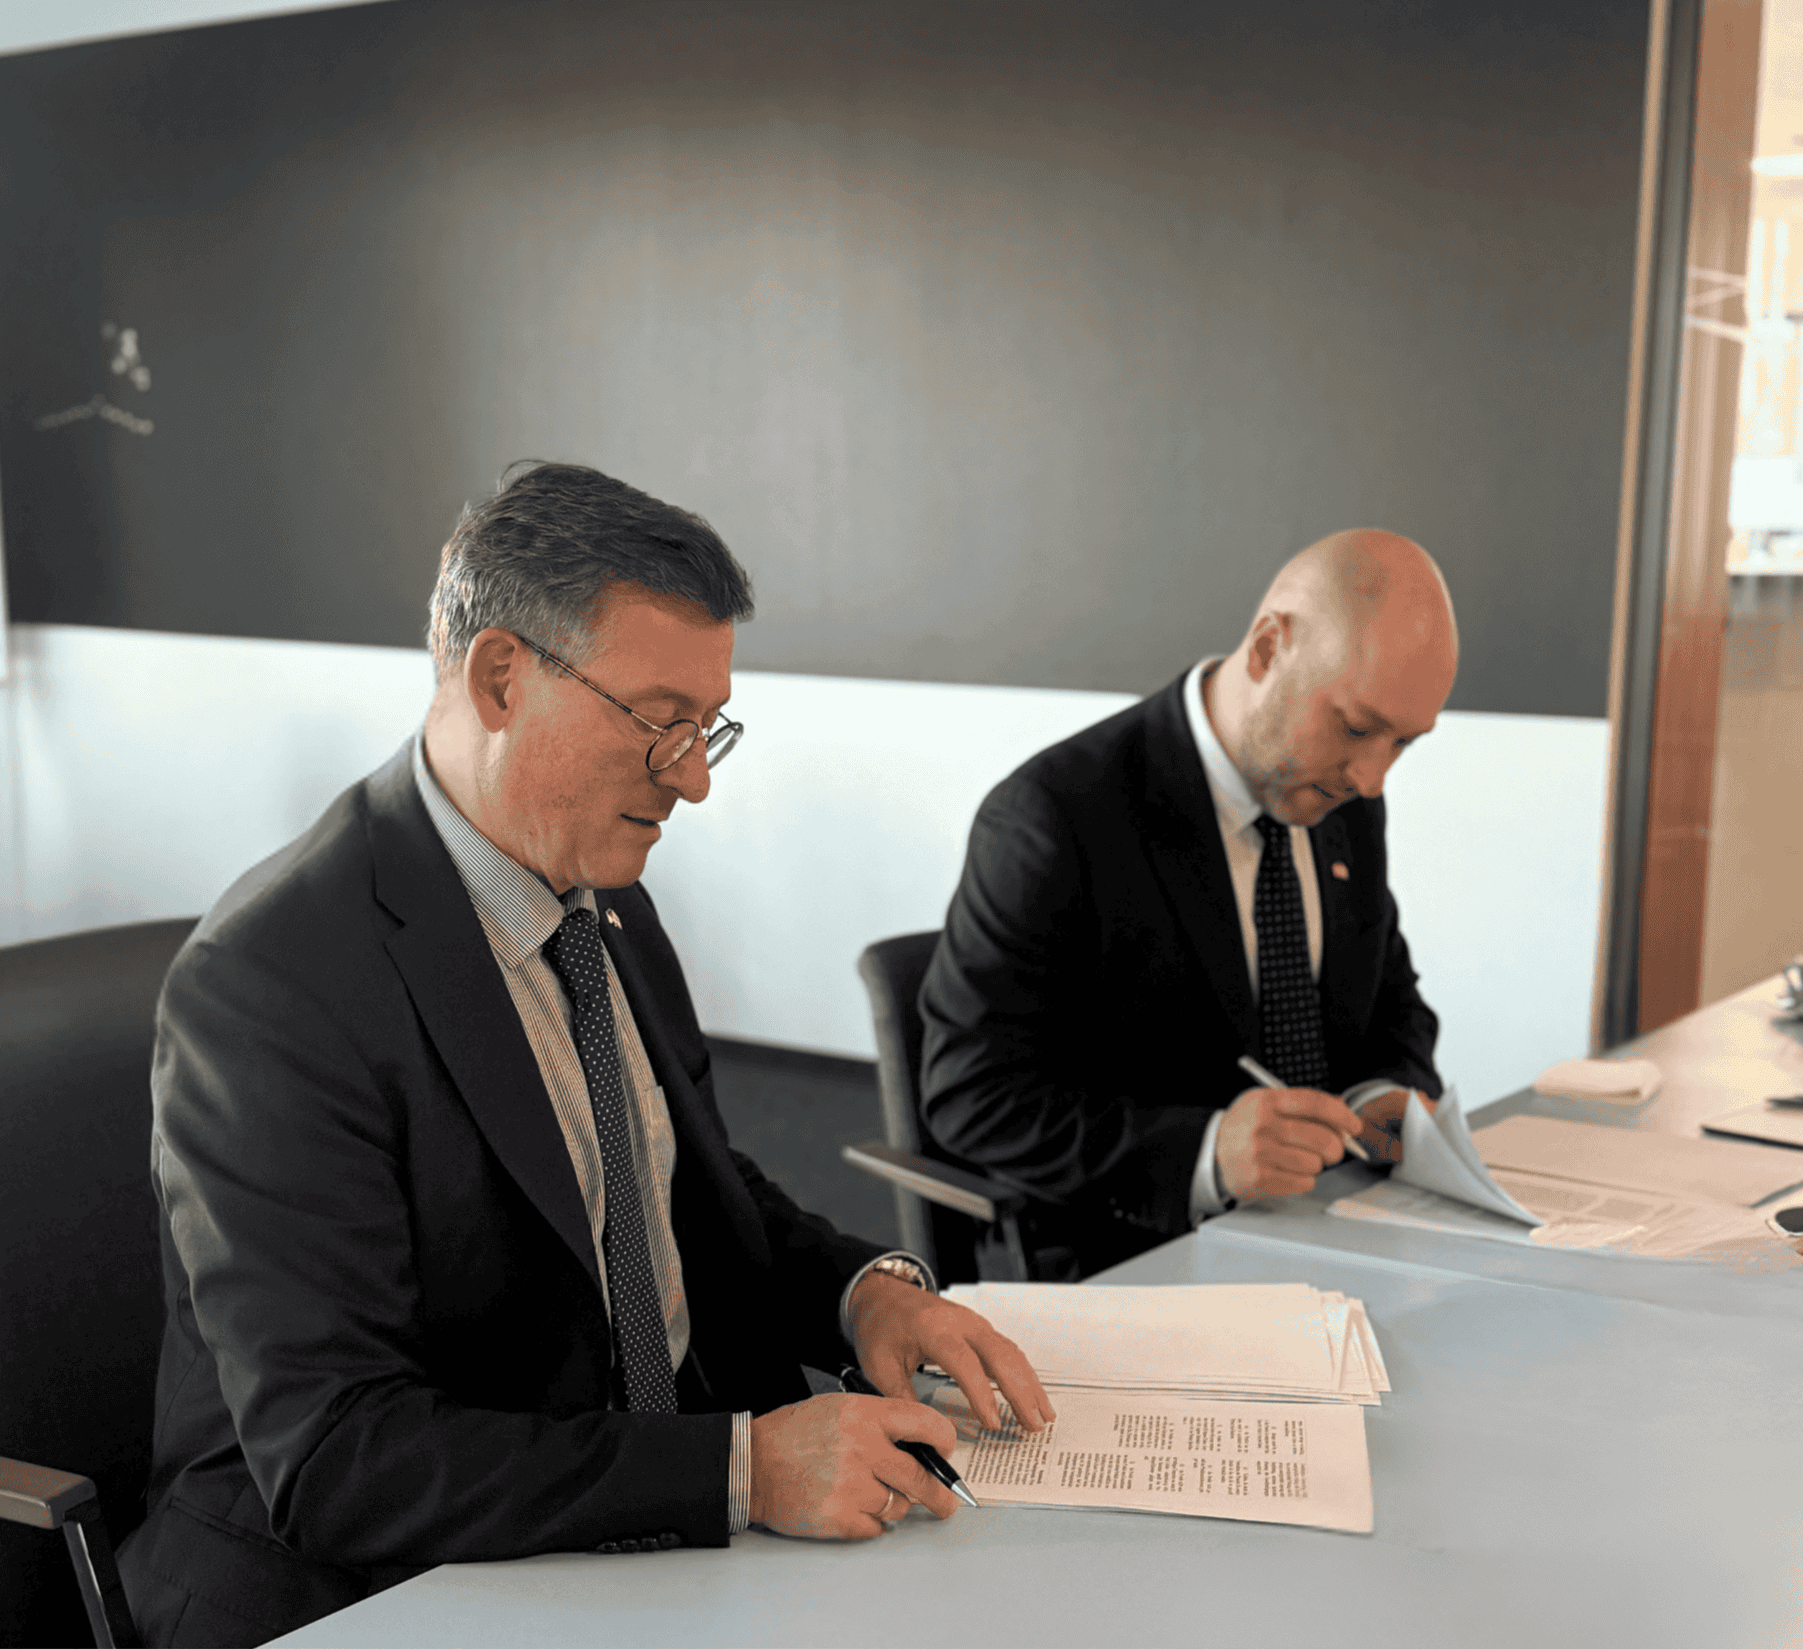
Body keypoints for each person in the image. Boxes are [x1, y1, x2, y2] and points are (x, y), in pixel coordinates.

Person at [119, 462, 1052, 1648]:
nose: (694, 778)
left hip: (623, 1524)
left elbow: (683, 1192)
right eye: (661, 722)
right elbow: (340, 1457)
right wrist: (739, 1468)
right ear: (501, 677)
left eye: (706, 727)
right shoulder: (273, 984)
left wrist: (862, 1292)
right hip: (375, 1587)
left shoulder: (602, 897)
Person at [918, 529, 1454, 1279]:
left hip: (1333, 1230)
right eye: (1358, 727)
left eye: (1404, 743)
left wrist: (1385, 1093)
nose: (1372, 777)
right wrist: (1204, 1154)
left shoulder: (1345, 803)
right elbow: (972, 1095)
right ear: (1268, 649)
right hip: (1143, 1254)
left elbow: (1390, 999)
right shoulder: (1055, 816)